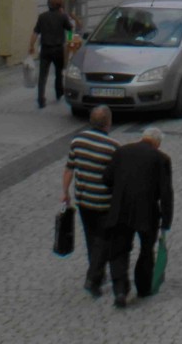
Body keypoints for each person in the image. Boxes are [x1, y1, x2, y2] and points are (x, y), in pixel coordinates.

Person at [103, 126, 174, 308]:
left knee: (119, 250)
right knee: (146, 250)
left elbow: (107, 178)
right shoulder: (161, 159)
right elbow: (166, 193)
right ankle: (143, 287)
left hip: (120, 209)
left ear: (143, 137)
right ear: (157, 143)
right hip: (147, 212)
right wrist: (166, 220)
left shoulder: (121, 152)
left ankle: (120, 290)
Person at [62, 105, 119, 298]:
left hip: (83, 199)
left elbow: (69, 168)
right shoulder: (112, 147)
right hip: (103, 201)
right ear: (108, 122)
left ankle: (97, 273)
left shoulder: (77, 141)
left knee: (90, 237)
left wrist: (65, 192)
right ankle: (93, 278)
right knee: (103, 241)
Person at [29, 0, 73, 109]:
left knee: (43, 75)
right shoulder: (62, 17)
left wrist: (31, 45)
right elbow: (70, 29)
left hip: (45, 49)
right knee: (59, 73)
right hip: (58, 49)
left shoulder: (42, 17)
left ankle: (41, 99)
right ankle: (59, 93)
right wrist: (69, 42)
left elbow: (35, 32)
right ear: (60, 6)